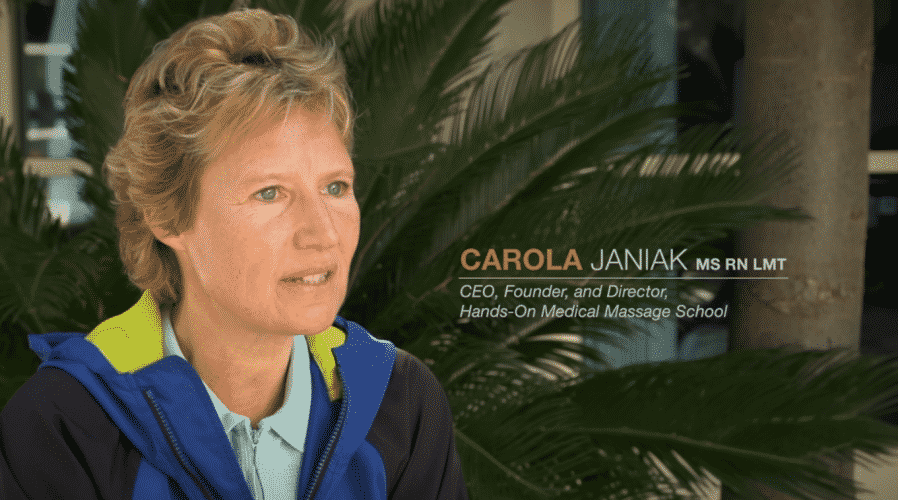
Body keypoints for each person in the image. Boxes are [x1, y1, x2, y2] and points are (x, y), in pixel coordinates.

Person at [0, 8, 468, 500]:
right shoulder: (64, 424)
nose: (323, 234)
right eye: (269, 193)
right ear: (167, 217)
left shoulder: (401, 404)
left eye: (335, 187)